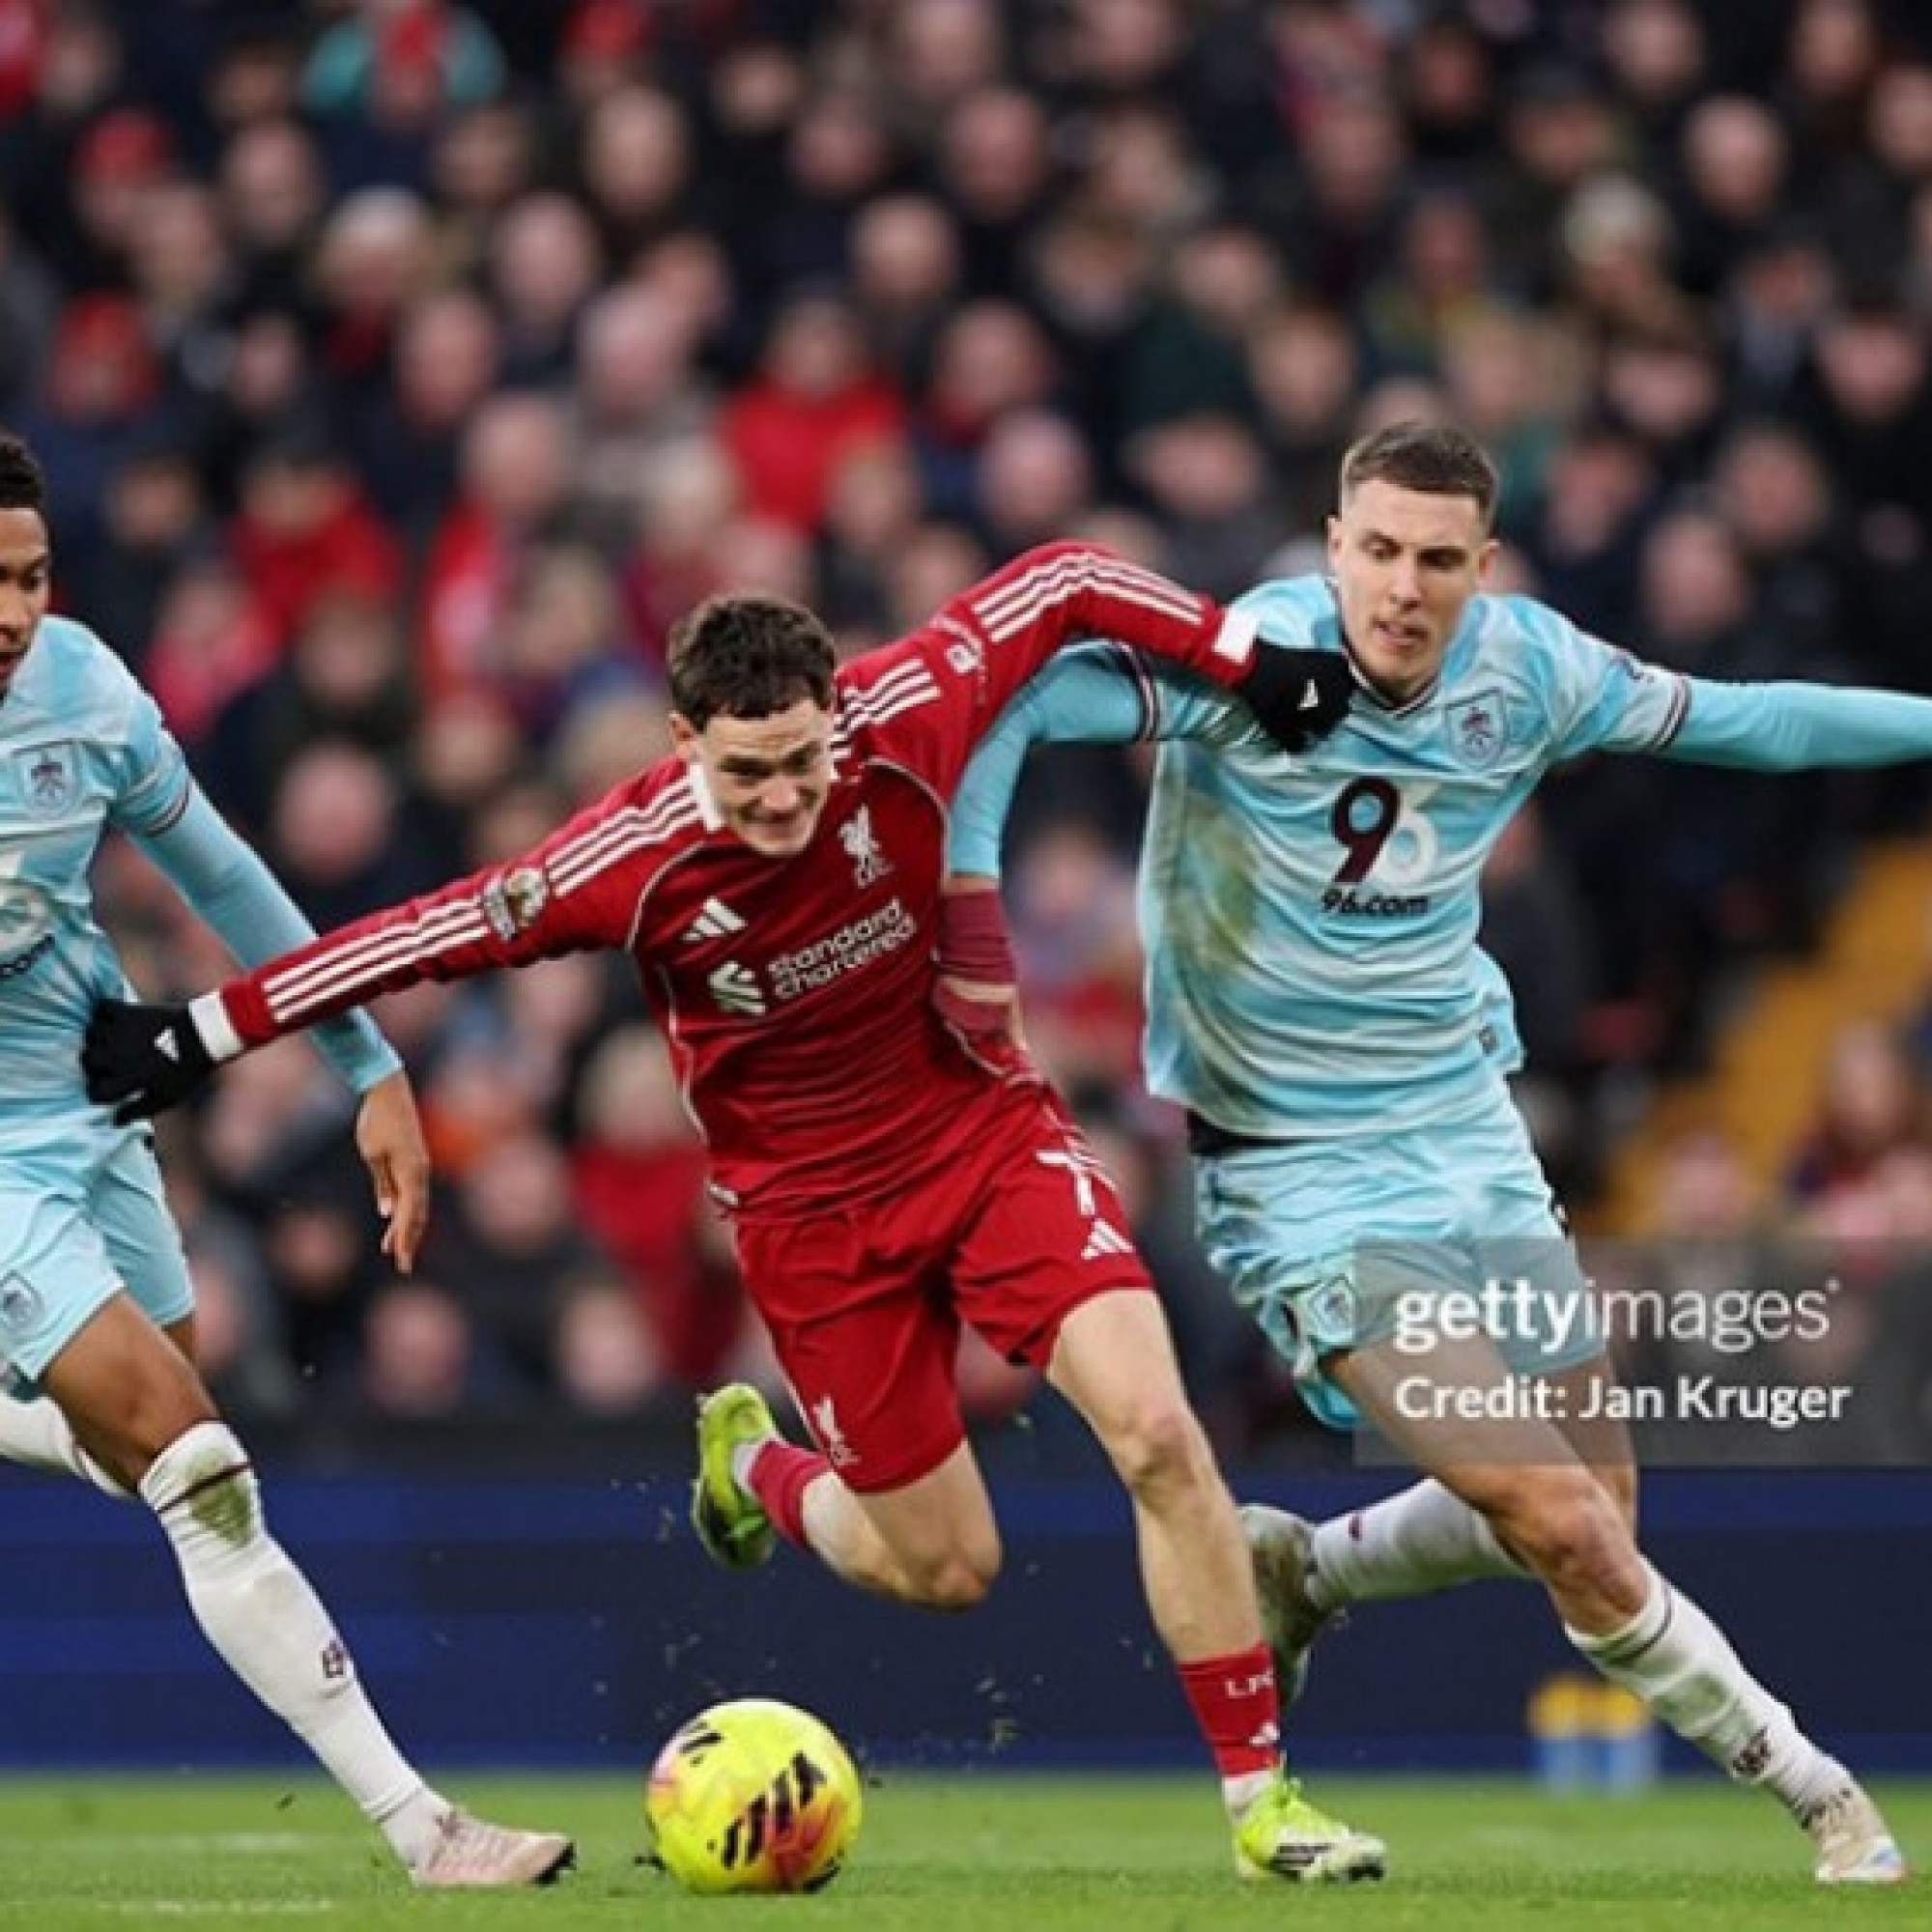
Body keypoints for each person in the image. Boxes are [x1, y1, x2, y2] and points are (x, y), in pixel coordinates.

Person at [80, 540, 1385, 1885]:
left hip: (984, 1139)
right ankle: (755, 1463)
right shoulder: (629, 859)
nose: (782, 796)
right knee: (949, 1570)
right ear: (682, 741)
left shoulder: (906, 711)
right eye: (745, 769)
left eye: (804, 761)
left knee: (1161, 1435)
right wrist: (203, 1032)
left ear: (837, 715)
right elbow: (433, 928)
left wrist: (1245, 658)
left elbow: (1059, 580)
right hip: (812, 1222)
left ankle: (1262, 1807)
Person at [941, 421, 1916, 1886]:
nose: (1403, 588)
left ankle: (1307, 1569)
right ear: (1333, 544)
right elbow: (1006, 707)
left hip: (1467, 1129)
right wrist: (967, 915)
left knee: (1599, 1512)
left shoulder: (1528, 667)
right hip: (1298, 1171)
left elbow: (1753, 720)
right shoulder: (1244, 660)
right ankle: (1823, 1794)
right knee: (1566, 1524)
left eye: (1437, 560)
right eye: (1378, 550)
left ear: (1484, 567)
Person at [0, 431, 571, 1889]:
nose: (13, 613)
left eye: (32, 576)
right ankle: (421, 1827)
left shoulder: (83, 688)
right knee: (199, 1460)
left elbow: (227, 878)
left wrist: (365, 1062)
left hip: (81, 1113)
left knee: (146, 1454)